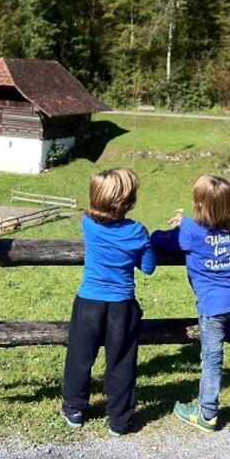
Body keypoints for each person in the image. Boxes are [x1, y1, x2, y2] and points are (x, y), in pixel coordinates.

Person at [151, 175, 230, 433]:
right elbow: (208, 230)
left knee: (211, 357)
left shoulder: (189, 231)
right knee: (223, 319)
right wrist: (186, 223)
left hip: (212, 303)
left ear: (198, 205)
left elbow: (159, 239)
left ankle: (207, 413)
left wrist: (179, 226)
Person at [61, 168, 156, 435]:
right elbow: (148, 267)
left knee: (80, 357)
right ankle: (119, 420)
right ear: (128, 201)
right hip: (122, 305)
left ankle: (74, 408)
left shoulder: (88, 224)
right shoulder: (138, 231)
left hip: (89, 301)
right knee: (122, 362)